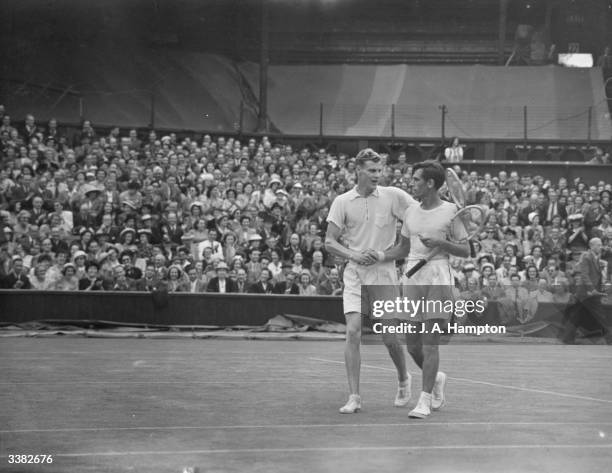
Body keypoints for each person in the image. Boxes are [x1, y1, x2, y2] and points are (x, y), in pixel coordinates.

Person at [325, 148, 417, 414]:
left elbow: (421, 213)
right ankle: (354, 396)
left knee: (389, 336)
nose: (378, 175)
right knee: (352, 331)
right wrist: (353, 254)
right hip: (354, 273)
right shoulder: (342, 201)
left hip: (384, 273)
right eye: (372, 170)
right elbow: (330, 241)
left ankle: (403, 378)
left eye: (380, 170)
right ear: (358, 171)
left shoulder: (394, 196)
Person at [382, 160, 469, 419]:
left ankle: (425, 399)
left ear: (430, 183)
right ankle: (437, 379)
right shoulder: (409, 212)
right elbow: (402, 248)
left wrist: (442, 242)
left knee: (431, 344)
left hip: (439, 276)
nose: (413, 184)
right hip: (412, 276)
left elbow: (465, 250)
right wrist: (375, 256)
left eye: (417, 180)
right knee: (412, 346)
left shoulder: (452, 211)